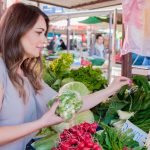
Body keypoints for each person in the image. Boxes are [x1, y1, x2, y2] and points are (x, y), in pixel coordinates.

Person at [0, 3, 131, 150]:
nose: (45, 41)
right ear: (17, 30)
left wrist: (110, 90)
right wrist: (41, 123)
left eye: (45, 33)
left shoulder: (28, 74)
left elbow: (70, 105)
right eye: (39, 32)